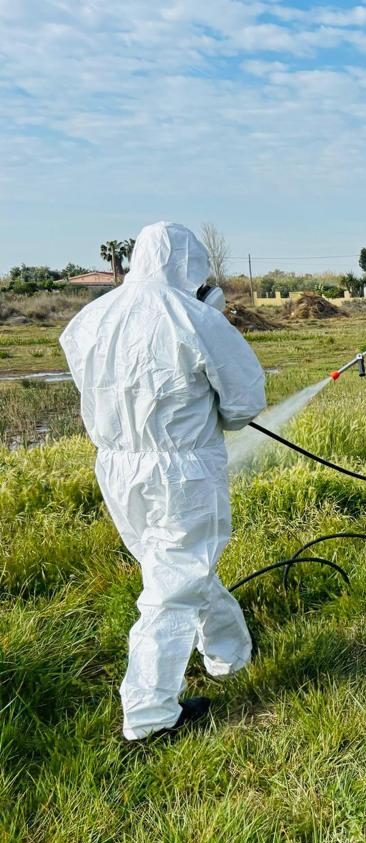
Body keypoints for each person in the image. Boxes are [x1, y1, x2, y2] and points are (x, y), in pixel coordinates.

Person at [58, 222, 266, 741]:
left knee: (174, 568)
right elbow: (243, 405)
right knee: (172, 587)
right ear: (190, 265)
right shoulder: (195, 318)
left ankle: (228, 654)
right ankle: (149, 715)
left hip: (116, 468)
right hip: (182, 471)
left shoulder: (90, 318)